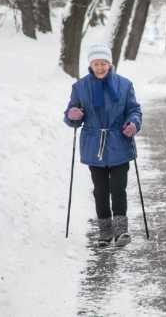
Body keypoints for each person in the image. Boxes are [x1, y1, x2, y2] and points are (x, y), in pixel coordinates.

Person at [64, 43, 142, 247]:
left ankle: (121, 232)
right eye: (96, 63)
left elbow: (134, 110)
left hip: (119, 142)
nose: (100, 67)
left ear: (110, 63)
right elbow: (72, 114)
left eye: (103, 63)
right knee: (100, 190)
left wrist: (133, 123)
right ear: (90, 65)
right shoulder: (80, 87)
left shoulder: (124, 85)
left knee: (118, 189)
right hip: (94, 145)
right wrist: (73, 115)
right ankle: (105, 233)